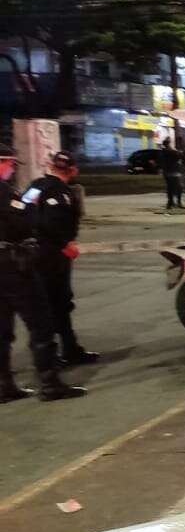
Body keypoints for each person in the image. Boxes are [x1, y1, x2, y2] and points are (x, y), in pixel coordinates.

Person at [3, 148, 85, 400]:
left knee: (2, 326)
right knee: (41, 321)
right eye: (10, 163)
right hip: (15, 262)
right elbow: (26, 220)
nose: (12, 168)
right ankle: (50, 383)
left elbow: (27, 207)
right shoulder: (6, 191)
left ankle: (4, 386)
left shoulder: (35, 186)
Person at [21, 152, 98, 367]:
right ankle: (55, 356)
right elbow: (51, 223)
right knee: (57, 304)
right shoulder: (62, 192)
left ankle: (68, 349)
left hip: (33, 252)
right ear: (72, 170)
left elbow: (22, 211)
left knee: (49, 303)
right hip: (53, 256)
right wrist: (66, 245)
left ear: (52, 167)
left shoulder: (36, 185)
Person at [160, 139, 184, 211]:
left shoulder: (163, 152)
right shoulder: (169, 151)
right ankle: (176, 202)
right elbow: (179, 155)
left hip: (168, 172)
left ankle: (171, 202)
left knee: (171, 188)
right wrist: (177, 151)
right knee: (179, 187)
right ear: (169, 144)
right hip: (174, 172)